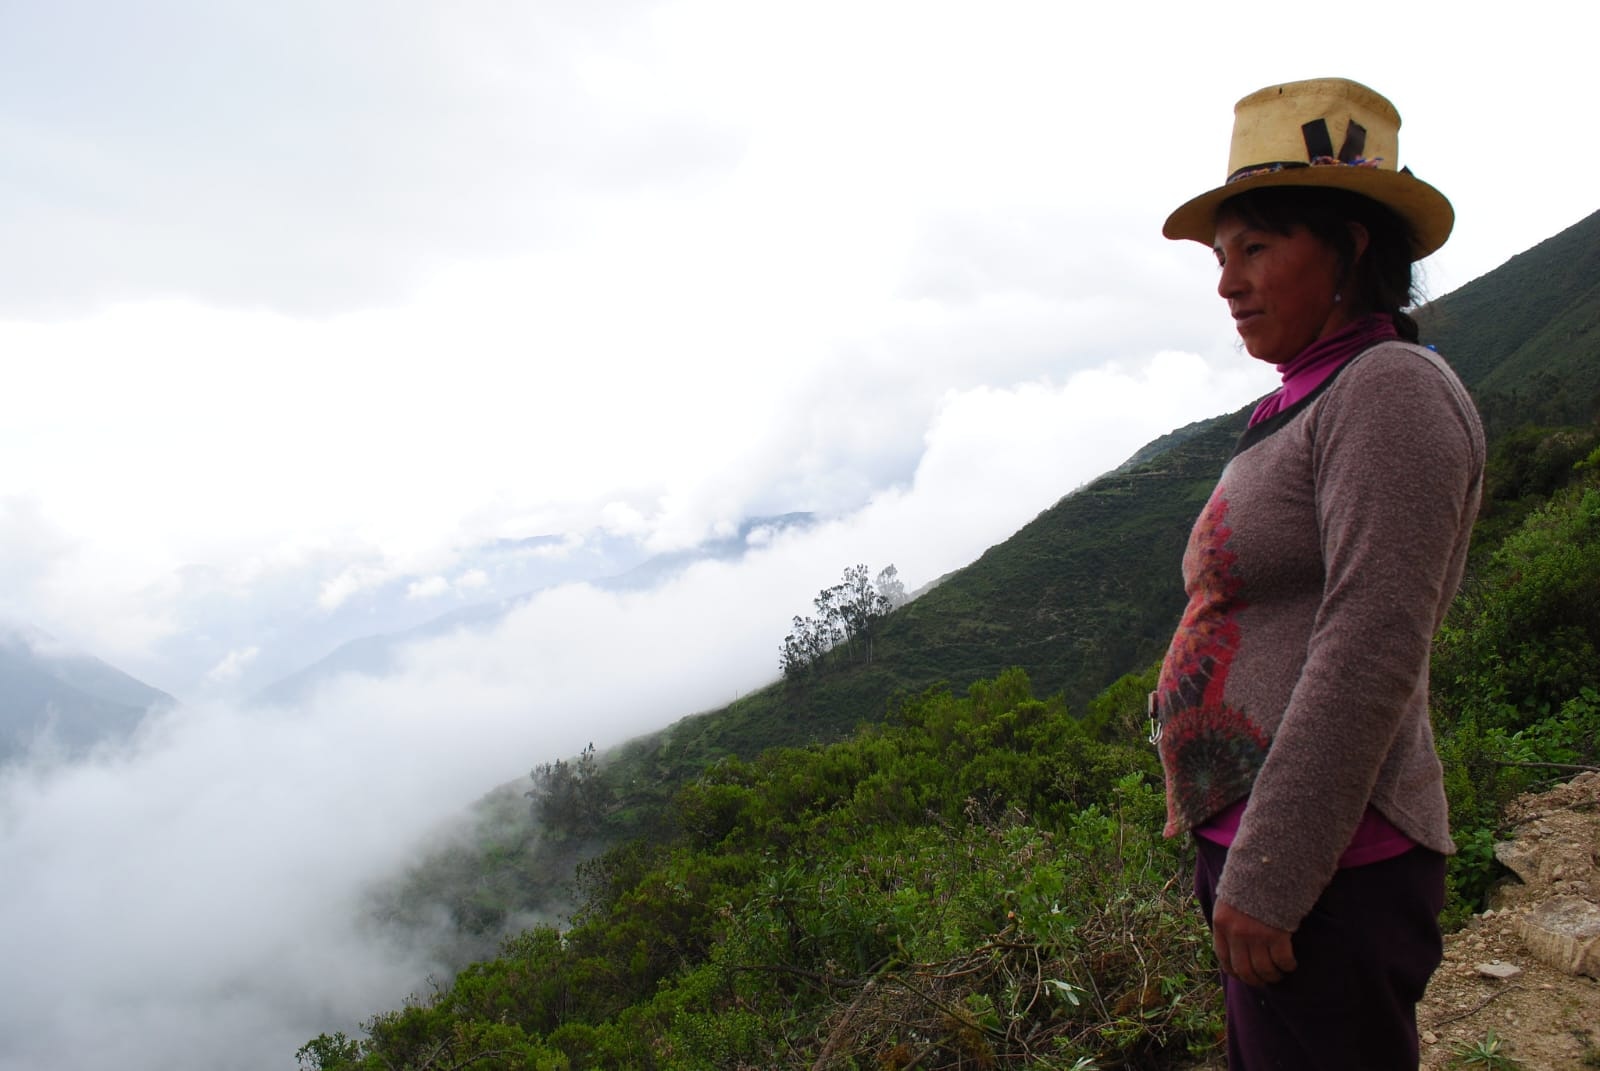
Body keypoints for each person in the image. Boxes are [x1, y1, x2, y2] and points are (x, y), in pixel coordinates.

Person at [1150, 78, 1485, 1069]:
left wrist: (1271, 872)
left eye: (1256, 248)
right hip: (1282, 858)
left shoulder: (1389, 391)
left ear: (1348, 248)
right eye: (1221, 258)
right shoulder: (1311, 394)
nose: (1226, 282)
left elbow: (1371, 645)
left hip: (1328, 870)